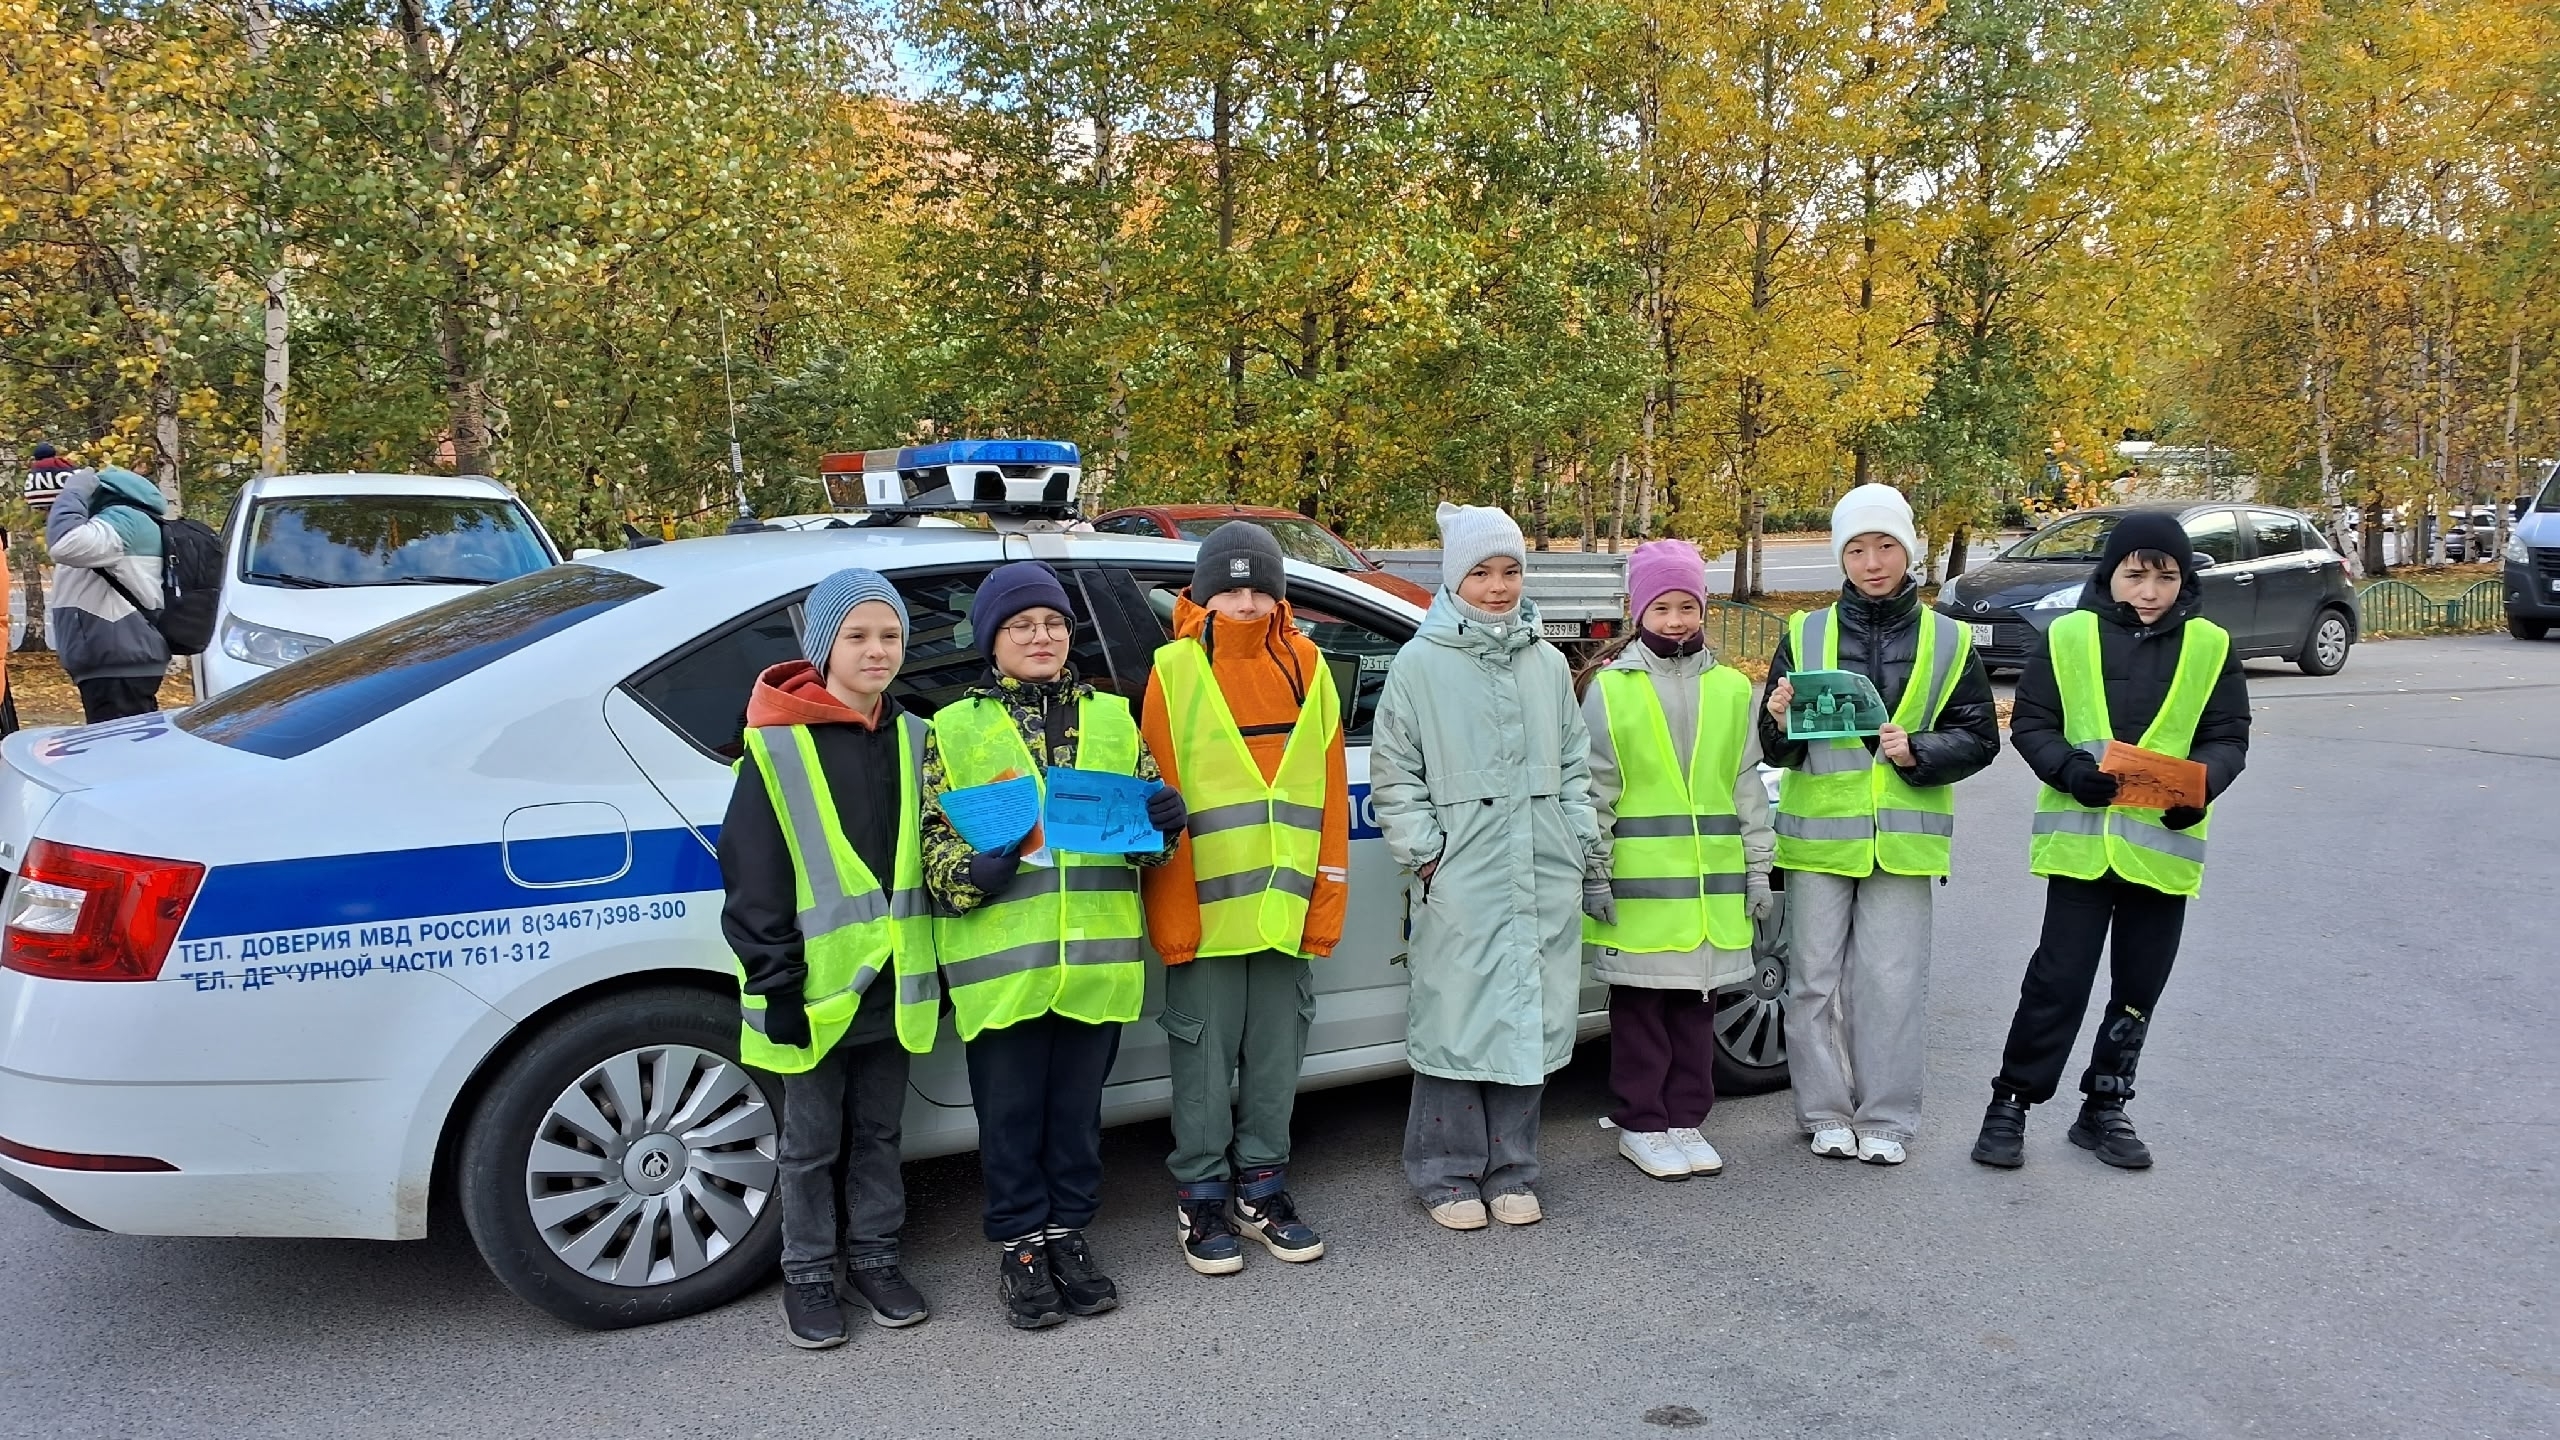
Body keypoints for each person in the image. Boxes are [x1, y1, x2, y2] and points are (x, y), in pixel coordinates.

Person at [919, 560, 1186, 1329]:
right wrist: (977, 868)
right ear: (991, 640)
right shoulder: (954, 726)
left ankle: (1068, 1235)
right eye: (1021, 625)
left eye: (1054, 624)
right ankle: (1020, 1247)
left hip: (1093, 967)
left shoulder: (1112, 717)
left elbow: (1146, 847)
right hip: (1005, 970)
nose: (1041, 636)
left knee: (1075, 1116)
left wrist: (1163, 823)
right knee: (1009, 1119)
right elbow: (934, 852)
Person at [1972, 511, 2249, 1171]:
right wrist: (2068, 769)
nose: (2149, 590)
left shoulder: (2211, 646)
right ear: (2111, 575)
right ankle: (2011, 1101)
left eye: (2165, 576)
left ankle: (2104, 1106)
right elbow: (2034, 723)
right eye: (2135, 574)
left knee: (2138, 987)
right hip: (2083, 850)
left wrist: (2201, 788)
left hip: (2162, 850)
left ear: (2183, 580)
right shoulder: (2069, 636)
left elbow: (2228, 736)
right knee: (2057, 982)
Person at [719, 567, 942, 1350]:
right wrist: (773, 980)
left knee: (881, 1134)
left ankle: (876, 1259)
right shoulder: (777, 749)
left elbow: (932, 862)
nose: (876, 651)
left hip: (894, 986)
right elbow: (753, 879)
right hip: (811, 993)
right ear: (822, 648)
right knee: (810, 1144)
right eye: (857, 637)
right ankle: (809, 1273)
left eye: (890, 636)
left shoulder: (918, 737)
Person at [1370, 502, 1601, 1230]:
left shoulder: (1544, 661)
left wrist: (1574, 833)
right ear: (1453, 579)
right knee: (1456, 1021)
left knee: (1525, 1020)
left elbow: (1573, 762)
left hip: (1540, 865)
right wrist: (1429, 856)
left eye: (1510, 571)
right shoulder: (1420, 663)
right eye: (1481, 572)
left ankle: (1513, 1170)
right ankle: (1444, 1174)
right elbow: (1396, 773)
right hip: (1463, 871)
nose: (1498, 587)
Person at [1758, 483, 1998, 1165]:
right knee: (1810, 982)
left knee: (1891, 983)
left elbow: (1981, 738)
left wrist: (1918, 750)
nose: (1871, 561)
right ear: (1842, 556)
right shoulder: (1803, 633)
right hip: (1816, 843)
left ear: (1907, 551)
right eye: (1857, 549)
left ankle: (1888, 1119)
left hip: (1902, 842)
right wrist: (1777, 718)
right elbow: (1774, 748)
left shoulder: (1948, 640)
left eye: (1885, 546)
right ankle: (1824, 1113)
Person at [1139, 523, 1349, 1275]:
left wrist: (1324, 907)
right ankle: (1200, 1199)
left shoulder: (1310, 665)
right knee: (1201, 1065)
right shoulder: (1174, 670)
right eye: (1228, 588)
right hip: (1205, 916)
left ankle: (1263, 1190)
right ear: (1201, 594)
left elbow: (1326, 801)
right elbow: (1158, 802)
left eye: (1260, 586)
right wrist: (1172, 925)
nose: (1246, 601)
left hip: (1284, 912)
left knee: (1274, 1061)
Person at [1580, 539, 1777, 1180]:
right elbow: (1594, 789)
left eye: (1686, 606)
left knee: (1695, 1011)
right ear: (1638, 612)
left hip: (1711, 893)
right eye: (1661, 607)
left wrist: (1756, 869)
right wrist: (1594, 870)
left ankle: (1685, 1118)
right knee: (1640, 1014)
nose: (1674, 620)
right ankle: (1642, 1121)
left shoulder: (1728, 688)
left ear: (1703, 609)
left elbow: (1747, 785)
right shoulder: (1612, 689)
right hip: (1636, 891)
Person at [44, 465, 171, 724]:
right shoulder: (125, 521)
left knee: (121, 756)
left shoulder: (125, 519)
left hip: (119, 662)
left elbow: (65, 543)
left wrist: (74, 490)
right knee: (128, 750)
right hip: (116, 659)